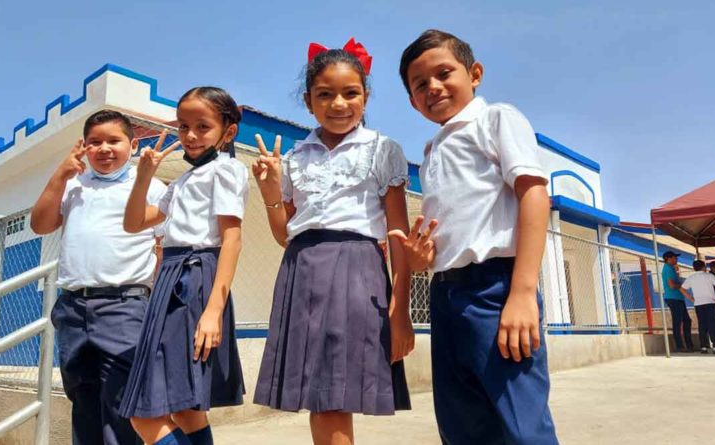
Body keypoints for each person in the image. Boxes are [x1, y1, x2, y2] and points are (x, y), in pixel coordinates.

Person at [392, 29, 559, 444]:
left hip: (495, 290)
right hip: (446, 298)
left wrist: (522, 292)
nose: (433, 87)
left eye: (444, 73)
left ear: (475, 73)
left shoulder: (496, 119)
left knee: (521, 426)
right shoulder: (431, 152)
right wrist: (420, 258)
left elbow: (534, 195)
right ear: (412, 101)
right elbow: (450, 235)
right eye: (419, 85)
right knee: (461, 426)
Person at [252, 38, 414, 445]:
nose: (338, 104)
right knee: (319, 394)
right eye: (325, 95)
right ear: (308, 102)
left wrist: (401, 307)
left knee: (335, 391)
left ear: (366, 96)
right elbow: (283, 235)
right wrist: (271, 190)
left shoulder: (382, 149)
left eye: (350, 93)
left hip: (358, 271)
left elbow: (397, 231)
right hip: (301, 270)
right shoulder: (293, 158)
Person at [119, 87, 247, 445]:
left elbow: (232, 239)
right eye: (183, 126)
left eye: (202, 126)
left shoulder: (226, 171)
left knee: (144, 413)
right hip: (170, 279)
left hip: (196, 279)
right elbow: (133, 223)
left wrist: (213, 311)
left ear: (228, 131)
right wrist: (144, 174)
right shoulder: (183, 181)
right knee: (188, 410)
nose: (190, 135)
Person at [30, 109, 166, 445]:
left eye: (113, 140)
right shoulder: (74, 185)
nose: (104, 148)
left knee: (123, 404)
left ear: (132, 145)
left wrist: (155, 300)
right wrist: (59, 175)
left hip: (125, 307)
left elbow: (163, 245)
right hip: (74, 309)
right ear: (84, 147)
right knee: (83, 400)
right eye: (94, 142)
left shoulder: (149, 185)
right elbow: (40, 225)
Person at [680, 260, 715, 354]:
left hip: (698, 304)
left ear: (694, 268)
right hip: (711, 303)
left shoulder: (691, 278)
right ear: (704, 267)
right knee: (713, 324)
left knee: (702, 325)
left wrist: (692, 299)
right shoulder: (709, 276)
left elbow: (682, 289)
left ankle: (703, 347)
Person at [661, 251, 695, 351]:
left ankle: (689, 345)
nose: (676, 259)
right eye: (674, 257)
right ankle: (680, 346)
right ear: (668, 258)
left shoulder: (671, 269)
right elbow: (672, 285)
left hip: (677, 298)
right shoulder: (668, 269)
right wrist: (683, 285)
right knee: (678, 321)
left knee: (686, 320)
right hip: (673, 298)